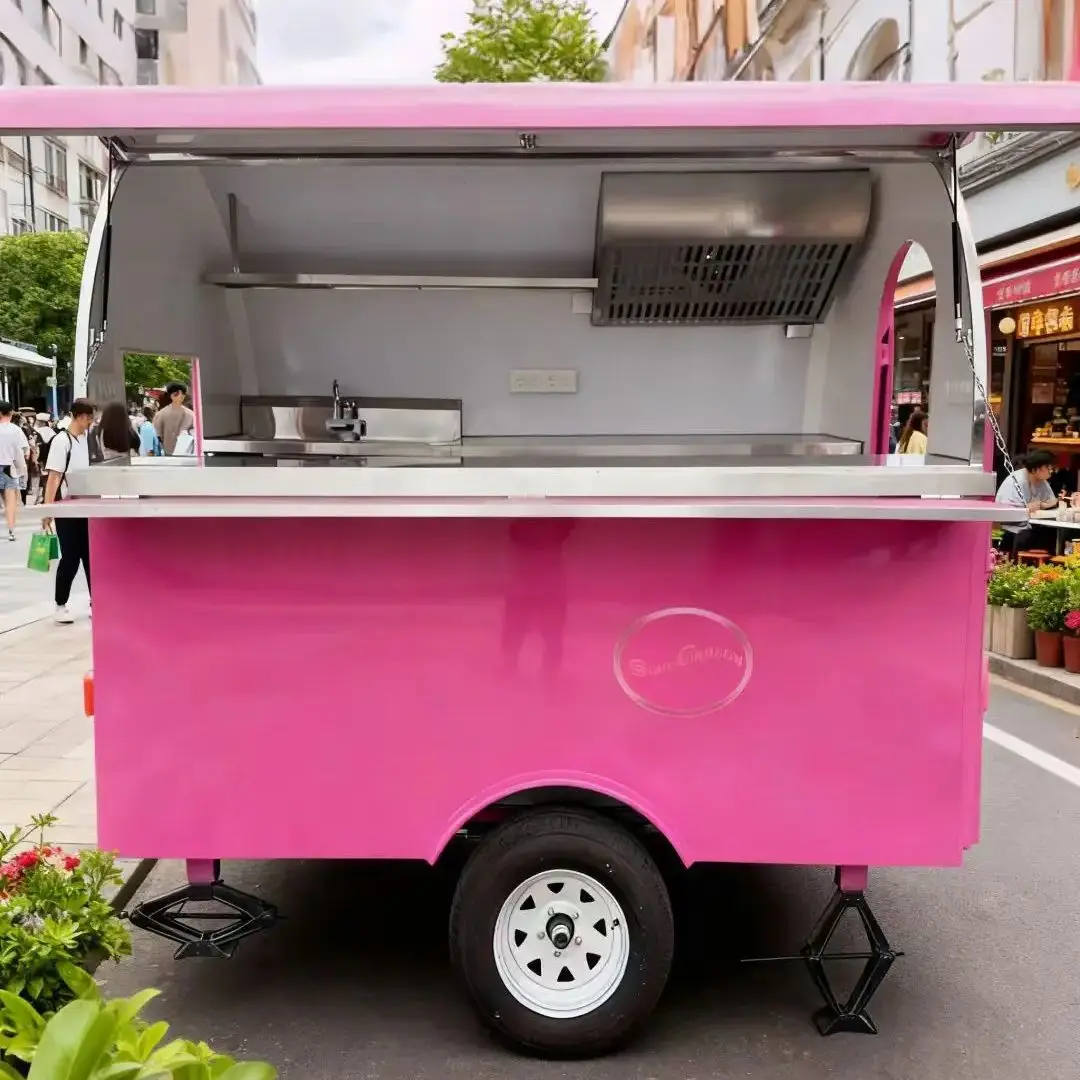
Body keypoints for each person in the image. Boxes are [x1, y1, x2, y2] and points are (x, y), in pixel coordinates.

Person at [42, 399, 95, 624]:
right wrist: (48, 510)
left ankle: (96, 601)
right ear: (80, 416)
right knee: (71, 557)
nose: (91, 422)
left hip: (87, 506)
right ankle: (60, 604)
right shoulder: (62, 441)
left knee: (91, 556)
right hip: (67, 508)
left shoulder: (85, 440)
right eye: (90, 418)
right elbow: (54, 478)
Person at [995, 449, 1060, 555]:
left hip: (1033, 527)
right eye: (1049, 468)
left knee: (1050, 533)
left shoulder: (1042, 482)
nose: (1052, 471)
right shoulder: (1015, 481)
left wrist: (1043, 505)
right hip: (1014, 530)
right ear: (1036, 469)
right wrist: (1029, 508)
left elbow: (1051, 501)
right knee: (1030, 535)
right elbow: (1006, 512)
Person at [0, 401, 30, 541]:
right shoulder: (16, 430)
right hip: (9, 469)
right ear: (11, 413)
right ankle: (11, 531)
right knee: (10, 502)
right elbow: (25, 450)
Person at [152, 382, 194, 456]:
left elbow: (157, 436)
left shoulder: (160, 414)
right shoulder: (191, 414)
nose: (180, 396)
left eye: (182, 394)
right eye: (176, 394)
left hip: (168, 454)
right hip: (187, 453)